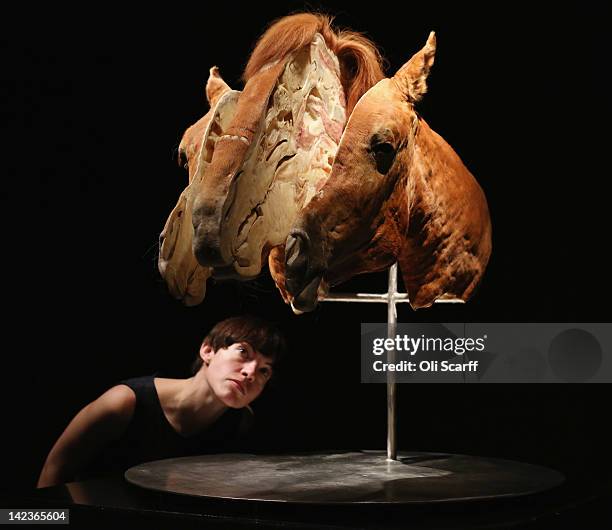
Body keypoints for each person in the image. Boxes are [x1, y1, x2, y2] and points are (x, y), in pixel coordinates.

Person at [37, 315, 285, 488]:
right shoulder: (124, 402)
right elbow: (55, 470)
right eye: (243, 352)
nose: (251, 372)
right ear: (207, 351)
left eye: (265, 370)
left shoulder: (241, 420)